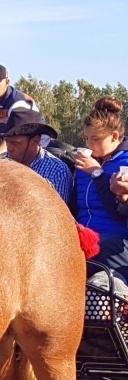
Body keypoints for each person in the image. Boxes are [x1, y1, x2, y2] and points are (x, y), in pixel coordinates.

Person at [73, 96, 128, 281]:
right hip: (82, 238)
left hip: (114, 243)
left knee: (105, 247)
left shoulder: (125, 163)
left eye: (95, 138)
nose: (89, 145)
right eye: (86, 138)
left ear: (113, 136)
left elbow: (117, 212)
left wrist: (96, 173)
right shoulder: (83, 165)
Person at [0, 107, 72, 204]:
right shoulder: (0, 166)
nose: (9, 148)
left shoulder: (57, 172)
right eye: (7, 142)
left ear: (35, 140)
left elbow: (56, 215)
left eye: (15, 143)